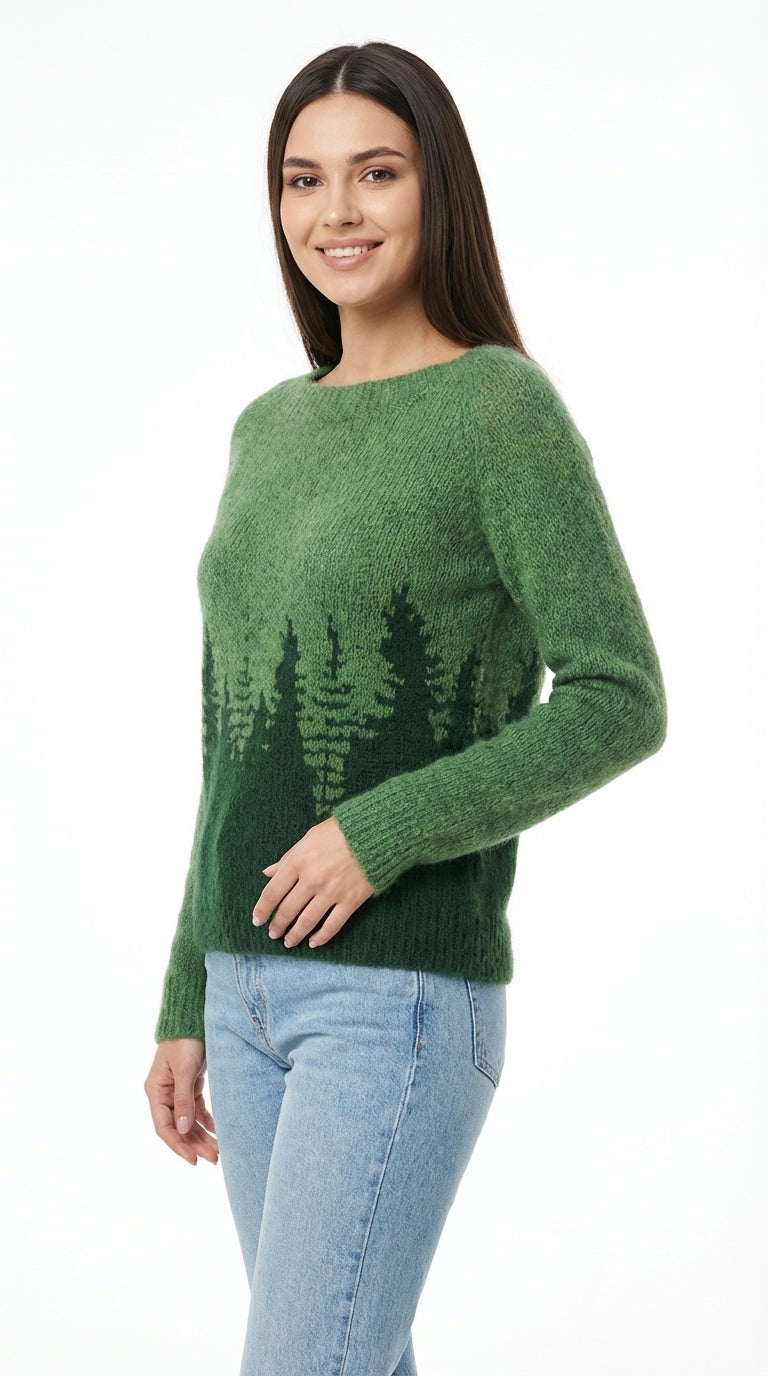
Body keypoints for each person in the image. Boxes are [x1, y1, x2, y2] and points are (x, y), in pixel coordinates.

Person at [144, 40, 667, 1376]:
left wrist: (378, 833)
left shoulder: (500, 409)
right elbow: (229, 735)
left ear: (438, 188)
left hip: (397, 998)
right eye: (302, 179)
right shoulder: (268, 427)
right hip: (244, 994)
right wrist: (186, 992)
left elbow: (618, 696)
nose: (336, 211)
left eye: (375, 173)